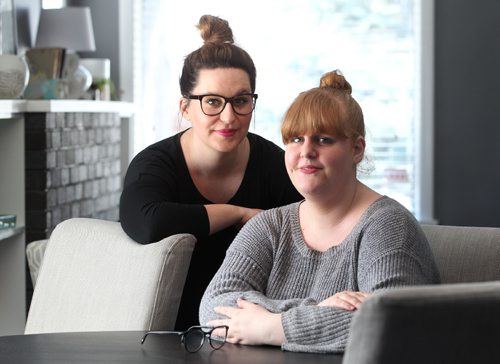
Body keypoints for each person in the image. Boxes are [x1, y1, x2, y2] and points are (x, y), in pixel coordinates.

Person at [199, 70, 440, 353]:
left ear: (357, 149)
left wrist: (271, 326)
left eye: (324, 140)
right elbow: (213, 308)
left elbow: (392, 322)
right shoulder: (268, 226)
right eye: (295, 139)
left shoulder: (388, 225)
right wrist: (319, 308)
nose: (306, 151)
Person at [119, 15, 302, 330]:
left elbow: (318, 224)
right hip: (168, 336)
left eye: (241, 101)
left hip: (256, 330)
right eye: (212, 102)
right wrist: (237, 214)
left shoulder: (275, 164)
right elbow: (148, 223)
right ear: (185, 108)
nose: (229, 117)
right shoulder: (155, 164)